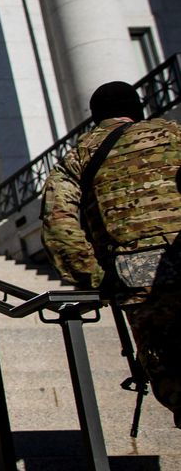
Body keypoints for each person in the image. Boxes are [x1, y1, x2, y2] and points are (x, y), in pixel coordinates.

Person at [42, 80, 181, 428]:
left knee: (171, 369)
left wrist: (94, 276)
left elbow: (58, 221)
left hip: (136, 277)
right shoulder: (174, 133)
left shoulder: (80, 154)